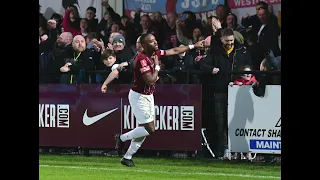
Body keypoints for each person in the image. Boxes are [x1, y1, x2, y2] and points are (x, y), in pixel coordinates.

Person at [101, 33, 204, 167]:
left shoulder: (155, 53)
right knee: (150, 129)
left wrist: (193, 45)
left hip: (148, 96)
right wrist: (157, 66)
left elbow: (174, 50)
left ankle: (127, 156)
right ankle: (121, 138)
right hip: (138, 97)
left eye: (155, 40)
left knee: (143, 129)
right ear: (144, 45)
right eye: (151, 41)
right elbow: (150, 81)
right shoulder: (141, 59)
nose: (155, 43)